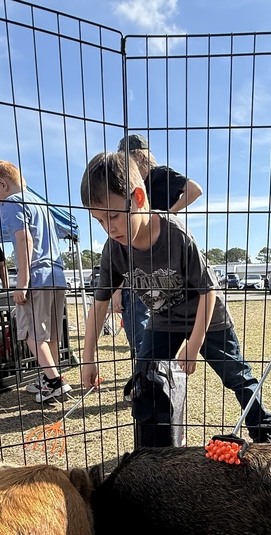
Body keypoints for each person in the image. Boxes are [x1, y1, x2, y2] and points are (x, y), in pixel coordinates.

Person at [79, 151, 271, 445]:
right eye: (99, 221)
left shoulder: (175, 234)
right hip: (164, 319)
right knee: (145, 379)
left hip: (206, 318)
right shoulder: (113, 250)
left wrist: (193, 345)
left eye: (114, 216)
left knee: (236, 375)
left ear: (139, 198)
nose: (109, 228)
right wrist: (87, 358)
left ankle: (263, 433)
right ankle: (158, 444)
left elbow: (209, 291)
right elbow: (99, 304)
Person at [114, 134, 205, 370]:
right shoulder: (128, 187)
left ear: (138, 156)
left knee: (158, 320)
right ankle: (147, 373)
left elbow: (194, 190)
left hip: (165, 259)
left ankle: (153, 374)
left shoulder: (159, 175)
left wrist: (168, 214)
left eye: (126, 159)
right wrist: (118, 289)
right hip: (137, 261)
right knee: (137, 323)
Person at [0, 160, 71, 403]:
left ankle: (54, 382)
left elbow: (24, 240)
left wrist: (22, 283)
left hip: (37, 277)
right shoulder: (41, 204)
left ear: (2, 184)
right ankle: (48, 379)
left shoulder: (14, 202)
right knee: (50, 334)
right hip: (56, 276)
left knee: (30, 333)